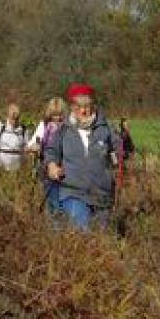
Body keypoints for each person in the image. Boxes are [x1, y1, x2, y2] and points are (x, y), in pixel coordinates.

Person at [45, 84, 118, 229]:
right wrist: (52, 166)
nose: (83, 110)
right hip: (72, 191)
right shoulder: (64, 130)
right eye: (79, 106)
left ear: (93, 106)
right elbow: (51, 151)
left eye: (87, 106)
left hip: (101, 195)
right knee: (83, 230)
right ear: (72, 107)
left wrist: (122, 148)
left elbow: (121, 152)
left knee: (102, 239)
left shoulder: (105, 129)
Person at [26, 96, 67, 213]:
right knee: (52, 200)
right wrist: (34, 147)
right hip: (47, 168)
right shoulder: (44, 126)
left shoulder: (68, 127)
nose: (57, 118)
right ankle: (55, 226)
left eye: (59, 114)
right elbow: (32, 144)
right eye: (54, 114)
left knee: (63, 200)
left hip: (66, 168)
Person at [0, 103, 26, 171]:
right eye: (12, 118)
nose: (14, 121)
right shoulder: (0, 126)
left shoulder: (23, 129)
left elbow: (26, 145)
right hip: (0, 165)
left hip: (16, 166)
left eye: (16, 119)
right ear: (8, 116)